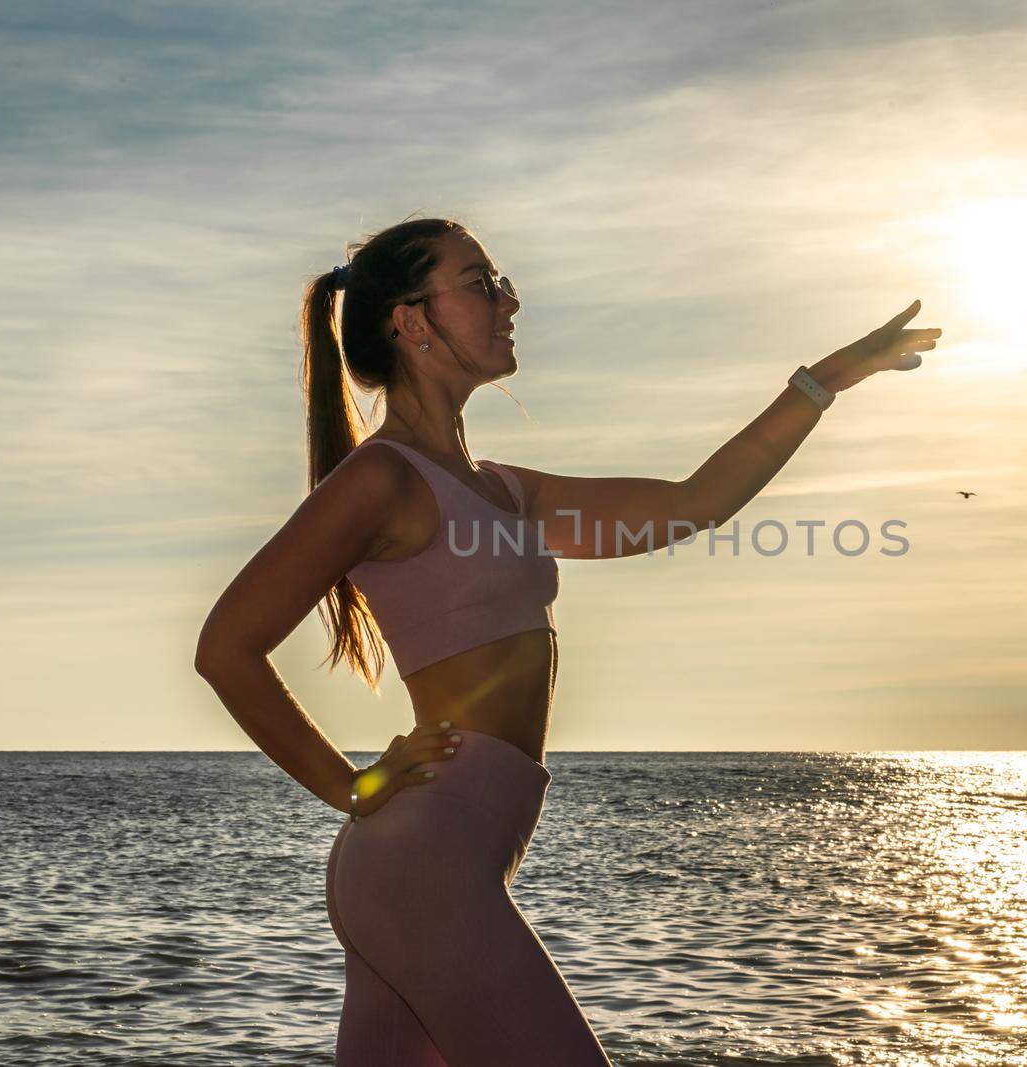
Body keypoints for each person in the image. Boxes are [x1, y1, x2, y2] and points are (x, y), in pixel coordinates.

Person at [193, 216, 938, 1065]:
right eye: (479, 282)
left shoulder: (507, 493)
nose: (508, 298)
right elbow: (227, 647)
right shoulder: (381, 479)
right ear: (411, 320)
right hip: (422, 865)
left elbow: (692, 503)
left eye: (500, 280)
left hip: (448, 858)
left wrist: (827, 380)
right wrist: (351, 783)